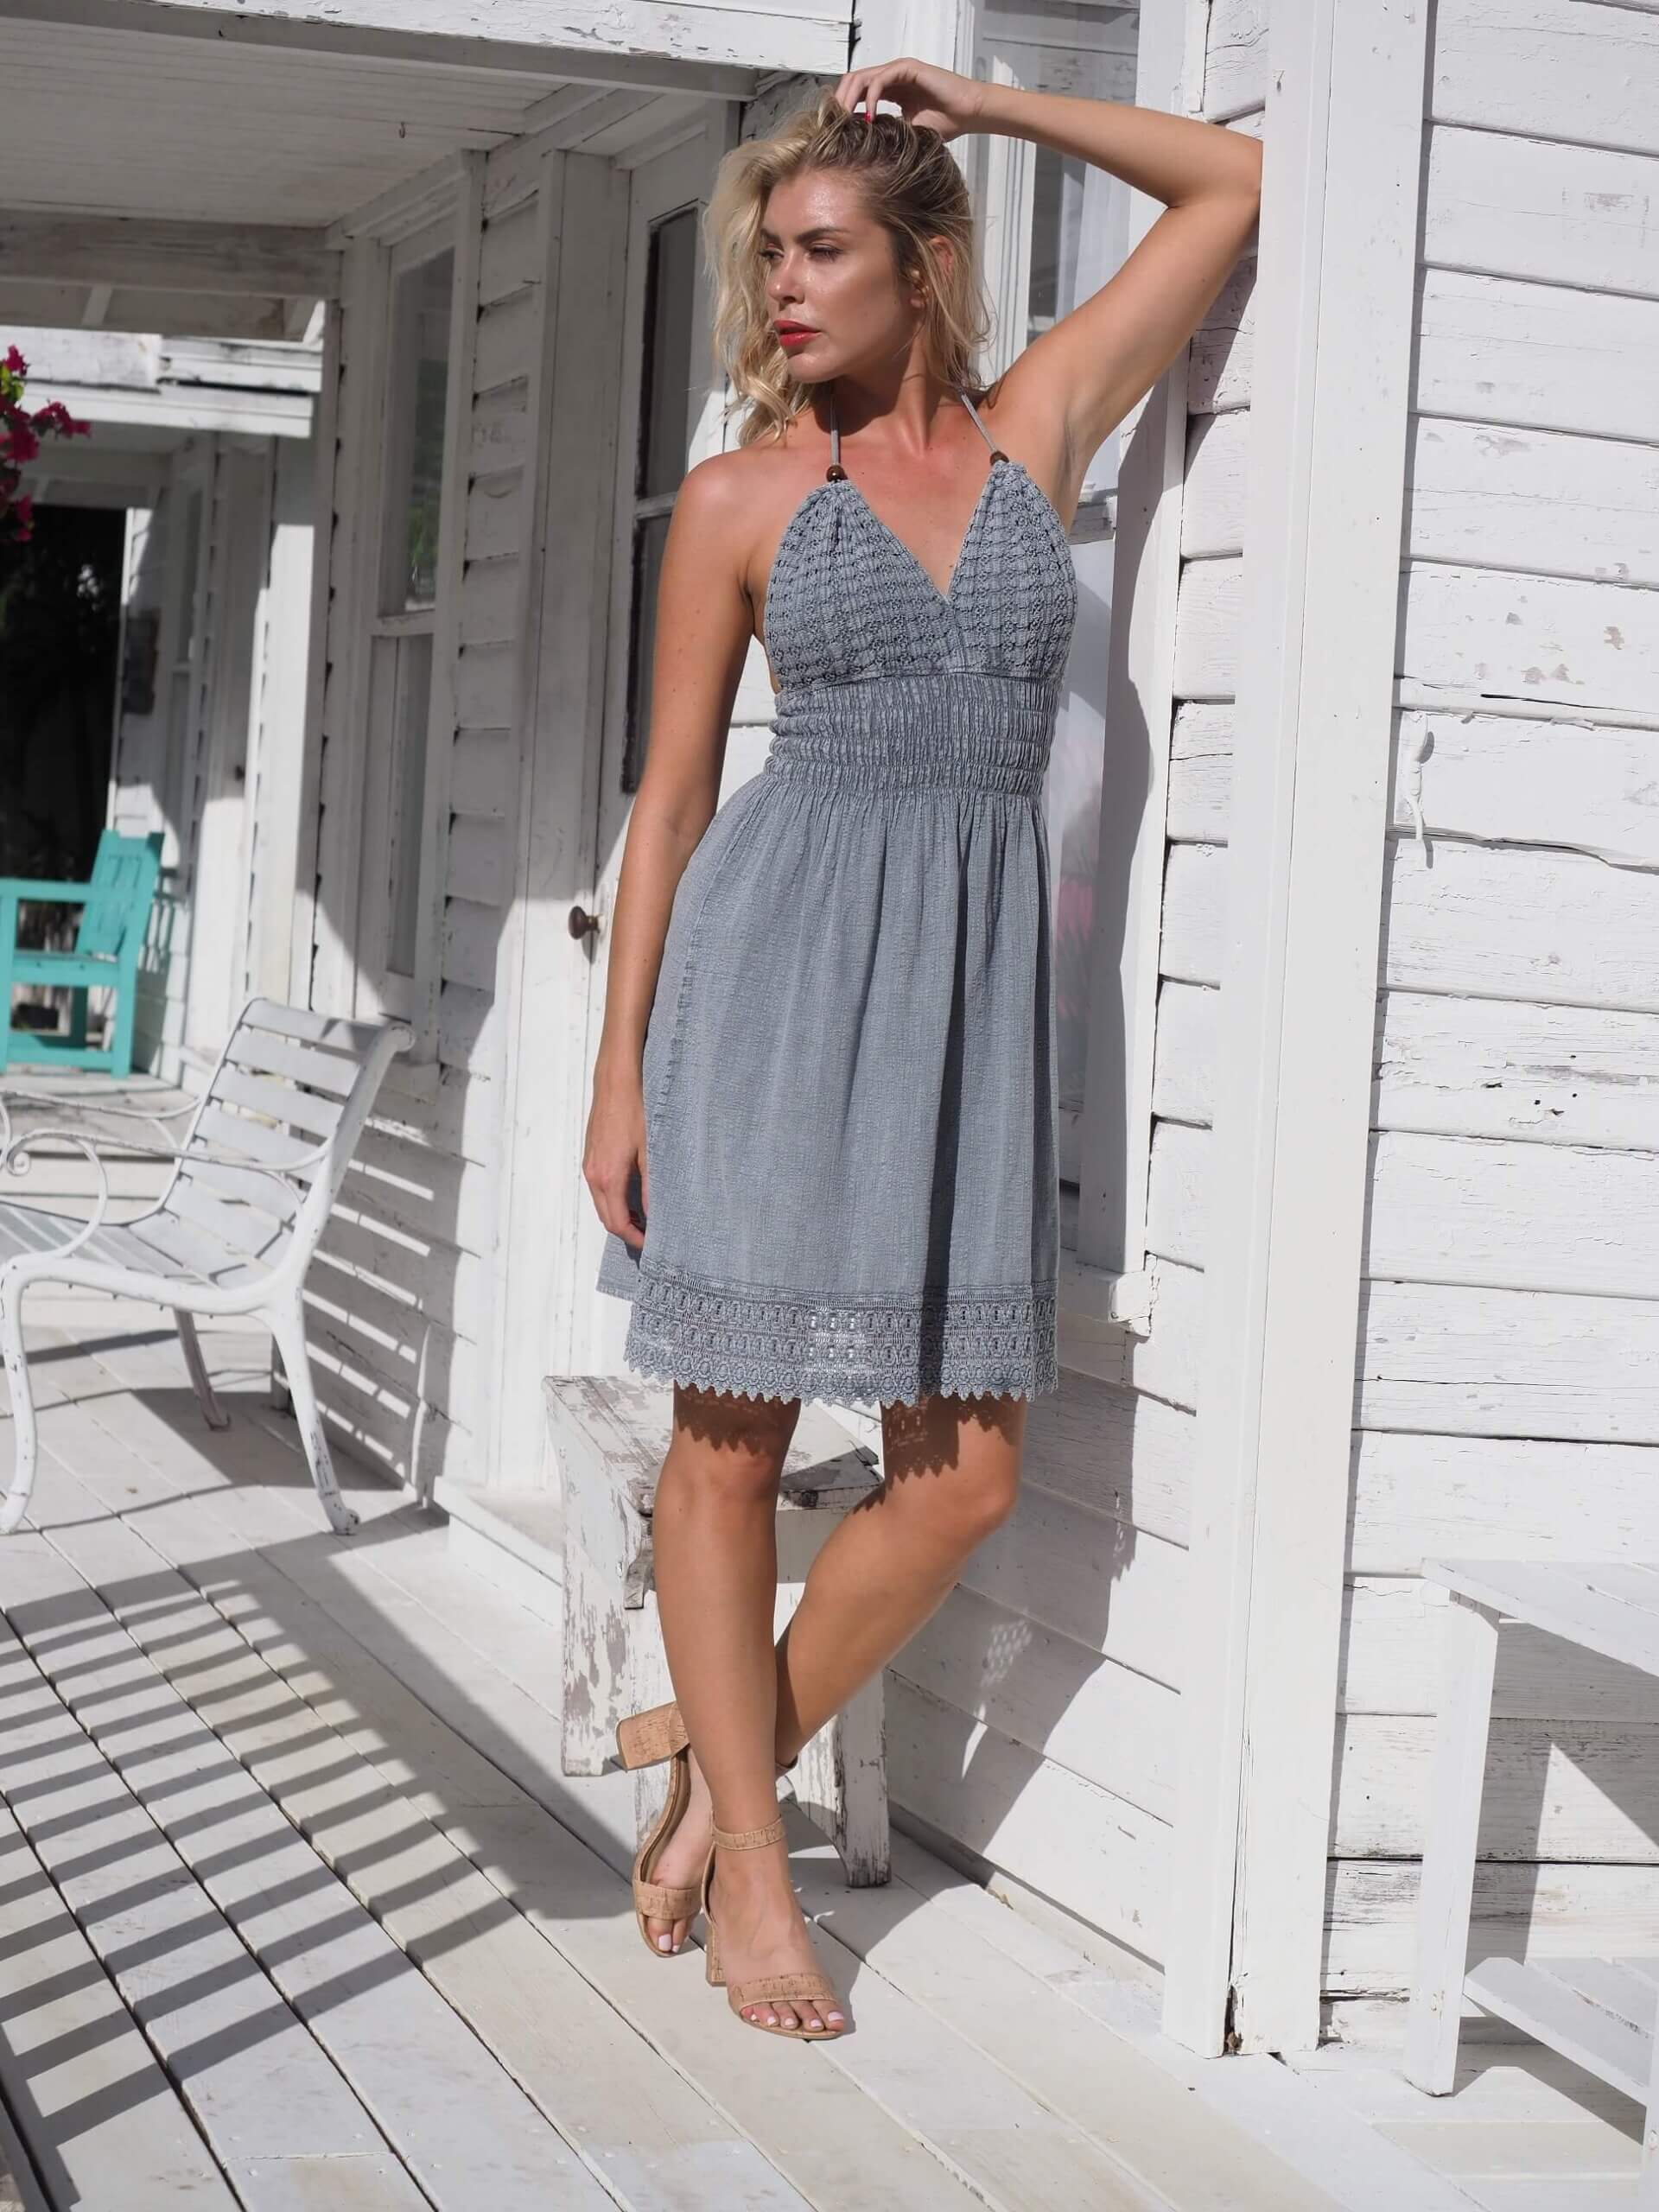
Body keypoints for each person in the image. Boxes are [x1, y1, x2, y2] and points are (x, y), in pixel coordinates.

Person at [582, 54, 1261, 2040]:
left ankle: (709, 1759)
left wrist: (995, 104)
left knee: (960, 1480)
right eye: (770, 257)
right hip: (774, 982)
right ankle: (755, 1863)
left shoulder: (1038, 426)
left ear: (922, 266)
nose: (782, 288)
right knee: (728, 1442)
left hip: (967, 1012)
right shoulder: (743, 498)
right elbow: (670, 802)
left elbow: (1230, 188)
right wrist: (620, 1072)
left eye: (821, 250)